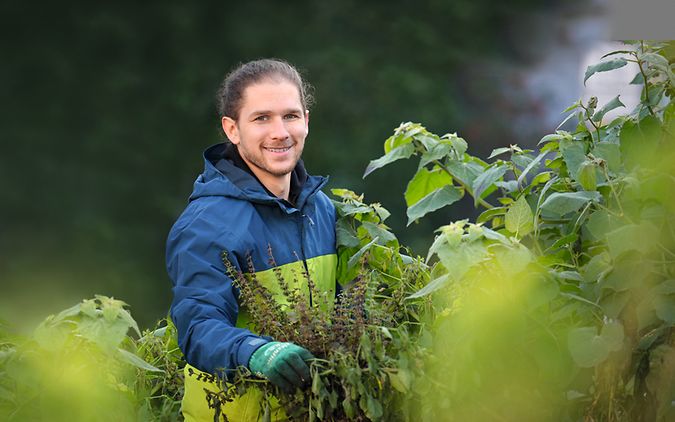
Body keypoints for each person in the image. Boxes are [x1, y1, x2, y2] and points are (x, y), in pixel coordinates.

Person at [166, 59, 337, 421]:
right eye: (261, 119)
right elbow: (197, 326)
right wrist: (256, 352)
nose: (280, 132)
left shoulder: (322, 208)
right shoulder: (205, 224)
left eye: (290, 116)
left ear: (306, 120)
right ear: (232, 129)